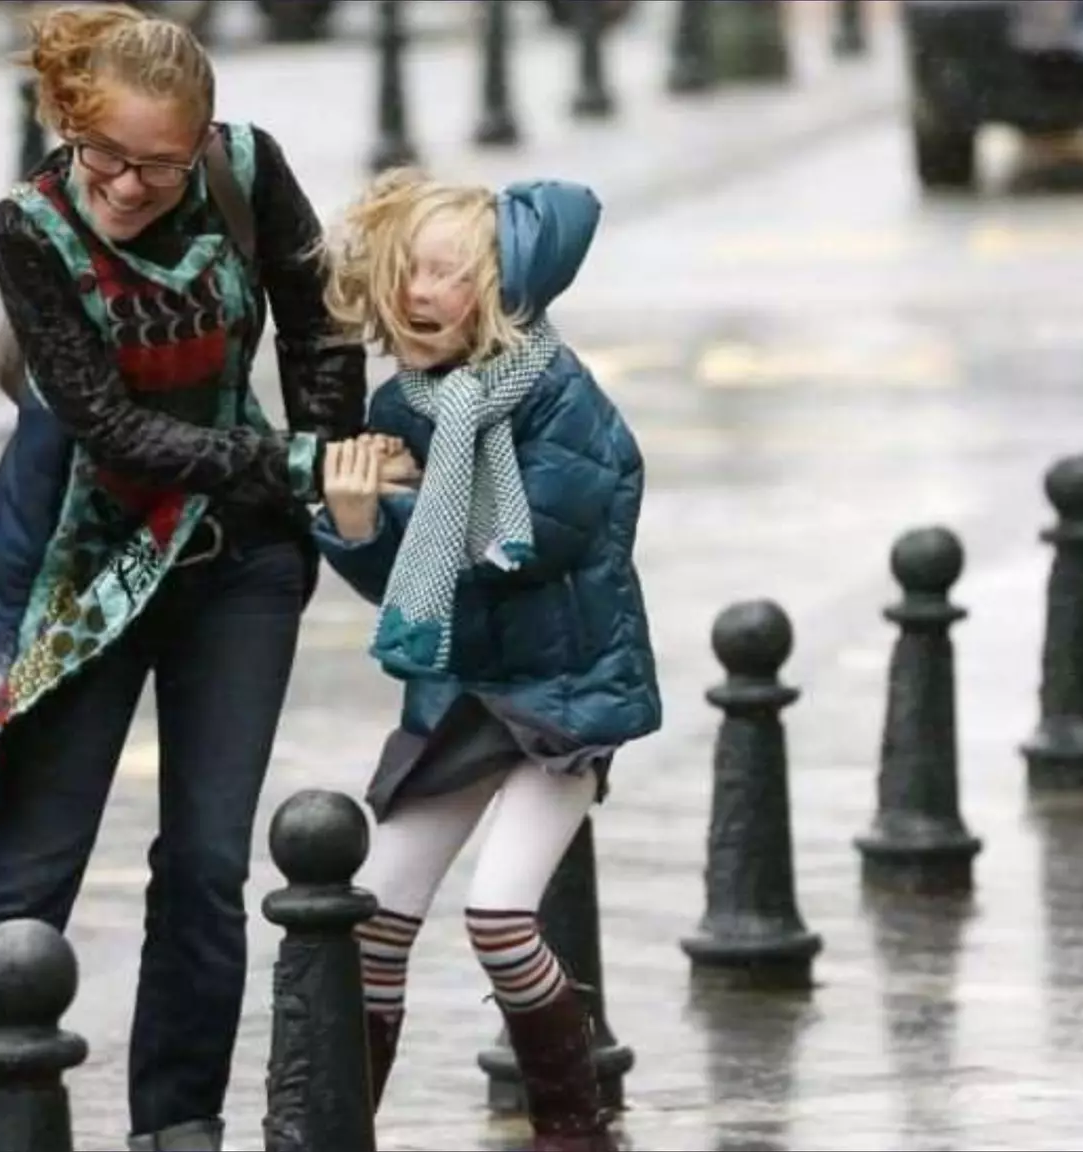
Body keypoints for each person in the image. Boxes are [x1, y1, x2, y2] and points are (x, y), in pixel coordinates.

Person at [0, 5, 367, 1150]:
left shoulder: (244, 173)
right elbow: (111, 429)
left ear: (201, 146)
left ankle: (177, 1122)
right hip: (78, 569)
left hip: (235, 567)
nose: (129, 185)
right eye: (106, 156)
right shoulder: (29, 229)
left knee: (203, 863)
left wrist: (330, 447)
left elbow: (318, 323)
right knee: (31, 863)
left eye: (157, 164)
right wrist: (284, 459)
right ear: (68, 123)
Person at [309, 169, 661, 1152]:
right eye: (410, 272)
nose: (422, 294)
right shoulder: (403, 406)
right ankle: (339, 1128)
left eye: (450, 275)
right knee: (373, 917)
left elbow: (522, 543)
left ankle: (571, 1125)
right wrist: (349, 521)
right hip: (460, 696)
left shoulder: (557, 399)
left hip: (562, 700)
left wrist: (403, 506)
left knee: (501, 915)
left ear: (503, 293)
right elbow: (405, 585)